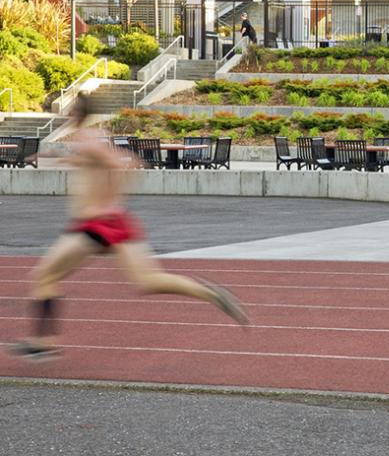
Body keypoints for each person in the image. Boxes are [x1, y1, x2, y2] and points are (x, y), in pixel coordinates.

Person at [8, 95, 248, 362]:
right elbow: (108, 163)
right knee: (148, 282)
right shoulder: (94, 136)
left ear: (73, 113)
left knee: (43, 276)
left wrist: (111, 197)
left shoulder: (87, 140)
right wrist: (59, 158)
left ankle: (44, 343)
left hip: (93, 226)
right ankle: (209, 293)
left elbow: (123, 164)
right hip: (113, 223)